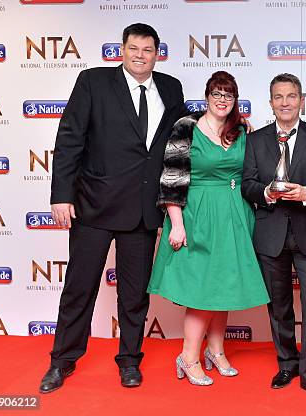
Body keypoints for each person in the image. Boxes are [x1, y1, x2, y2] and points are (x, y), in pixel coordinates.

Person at [39, 23, 189, 393]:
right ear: (121, 50)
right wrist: (61, 194)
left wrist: (230, 130)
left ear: (158, 53)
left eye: (148, 50)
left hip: (142, 209)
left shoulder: (171, 88)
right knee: (80, 287)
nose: (140, 56)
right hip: (93, 205)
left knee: (135, 295)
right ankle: (62, 360)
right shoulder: (93, 82)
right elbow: (70, 137)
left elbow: (181, 141)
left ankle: (129, 361)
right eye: (133, 49)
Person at [147, 71, 269, 386]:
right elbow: (171, 177)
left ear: (235, 99)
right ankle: (188, 357)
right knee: (202, 291)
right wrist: (176, 224)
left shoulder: (241, 130)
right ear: (206, 96)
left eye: (228, 95)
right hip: (197, 214)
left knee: (223, 286)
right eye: (216, 93)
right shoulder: (186, 128)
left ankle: (216, 350)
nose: (222, 100)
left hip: (235, 214)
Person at [242, 73, 306, 403]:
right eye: (278, 97)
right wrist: (266, 193)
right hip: (271, 235)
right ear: (270, 103)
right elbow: (247, 184)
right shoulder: (255, 141)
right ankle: (287, 363)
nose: (285, 102)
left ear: (301, 100)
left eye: (292, 96)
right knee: (279, 307)